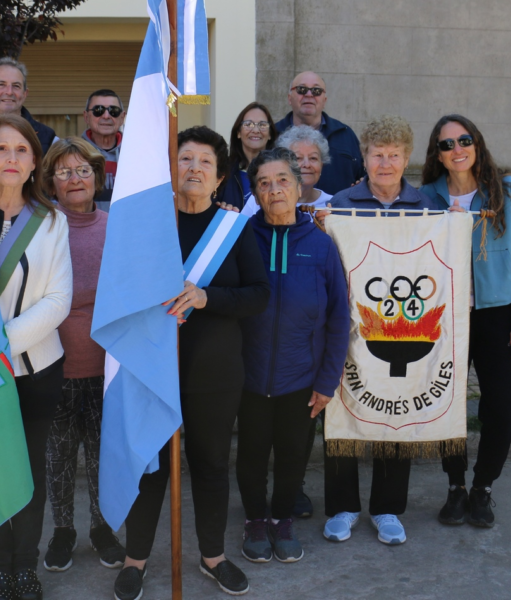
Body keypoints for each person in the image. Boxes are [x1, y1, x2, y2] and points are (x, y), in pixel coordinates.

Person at [113, 126, 270, 600]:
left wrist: (207, 297)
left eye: (205, 162)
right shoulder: (150, 225)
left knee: (209, 464)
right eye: (185, 159)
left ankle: (212, 556)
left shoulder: (233, 229)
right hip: (153, 368)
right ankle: (135, 560)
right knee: (151, 465)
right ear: (172, 168)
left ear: (220, 177)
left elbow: (258, 295)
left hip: (214, 373)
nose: (194, 168)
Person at [317, 116, 436, 548]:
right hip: (348, 324)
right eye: (376, 154)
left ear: (407, 158)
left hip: (404, 324)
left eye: (394, 155)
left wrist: (457, 227)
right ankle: (343, 507)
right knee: (343, 408)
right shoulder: (342, 203)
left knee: (397, 409)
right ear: (363, 156)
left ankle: (387, 508)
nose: (385, 163)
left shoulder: (428, 208)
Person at [419, 114, 511, 529]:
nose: (457, 149)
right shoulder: (426, 197)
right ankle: (455, 486)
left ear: (477, 143)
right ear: (437, 154)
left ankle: (483, 487)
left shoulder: (507, 192)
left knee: (502, 409)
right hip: (443, 317)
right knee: (448, 406)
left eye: (463, 140)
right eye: (446, 144)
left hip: (497, 315)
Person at [236, 148, 350, 564]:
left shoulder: (320, 245)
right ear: (256, 193)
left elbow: (340, 316)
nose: (274, 189)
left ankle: (282, 519)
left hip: (301, 379)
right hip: (248, 378)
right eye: (263, 183)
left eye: (282, 179)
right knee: (249, 458)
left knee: (291, 457)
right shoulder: (240, 237)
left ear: (299, 185)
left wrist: (326, 381)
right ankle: (254, 520)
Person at [0, 113, 73, 600]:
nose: (11, 158)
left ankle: (23, 566)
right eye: (1, 149)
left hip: (35, 368)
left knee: (30, 472)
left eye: (21, 150)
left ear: (34, 161)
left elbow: (58, 301)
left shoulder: (52, 221)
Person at [39, 137, 126, 572]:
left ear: (97, 177)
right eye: (64, 172)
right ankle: (63, 531)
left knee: (100, 454)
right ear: (51, 182)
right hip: (54, 366)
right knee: (58, 455)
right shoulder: (40, 229)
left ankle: (102, 528)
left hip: (105, 367)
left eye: (83, 171)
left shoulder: (115, 227)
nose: (75, 179)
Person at [274, 71, 364, 194]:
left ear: (324, 100)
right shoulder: (273, 135)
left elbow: (363, 178)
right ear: (290, 98)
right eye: (302, 89)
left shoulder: (345, 135)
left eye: (316, 91)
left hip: (336, 211)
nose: (309, 95)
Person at [241, 125, 332, 218]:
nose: (307, 164)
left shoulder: (332, 203)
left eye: (313, 158)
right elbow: (241, 230)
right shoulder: (263, 197)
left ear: (322, 164)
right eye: (298, 158)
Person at [0, 57, 58, 152]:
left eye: (16, 86)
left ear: (25, 94)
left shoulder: (48, 138)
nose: (9, 92)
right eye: (1, 84)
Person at [218, 102, 277, 210]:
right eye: (248, 124)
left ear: (270, 134)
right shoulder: (223, 171)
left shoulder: (280, 172)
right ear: (238, 133)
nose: (255, 130)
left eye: (262, 125)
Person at [81, 89, 126, 211]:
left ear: (122, 117)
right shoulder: (73, 153)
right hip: (86, 228)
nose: (106, 116)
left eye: (114, 111)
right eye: (98, 111)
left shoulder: (136, 154)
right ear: (86, 117)